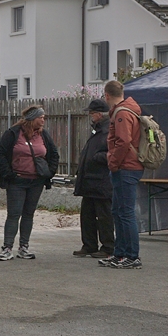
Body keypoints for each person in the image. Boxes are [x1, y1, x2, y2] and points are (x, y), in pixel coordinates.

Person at [0, 105, 59, 261]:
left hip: (36, 181)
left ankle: (24, 247)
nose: (43, 120)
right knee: (14, 214)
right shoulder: (13, 133)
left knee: (29, 214)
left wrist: (49, 173)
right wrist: (9, 174)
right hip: (17, 181)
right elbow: (0, 153)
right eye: (40, 117)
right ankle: (7, 248)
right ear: (32, 119)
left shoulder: (43, 135)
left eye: (43, 117)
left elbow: (54, 154)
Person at [102, 79, 144, 269]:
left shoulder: (122, 113)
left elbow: (123, 141)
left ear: (107, 95)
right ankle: (120, 253)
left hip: (126, 167)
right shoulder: (128, 110)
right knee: (118, 211)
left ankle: (132, 256)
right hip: (126, 167)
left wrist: (113, 163)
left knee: (126, 212)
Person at [72, 98, 115, 258]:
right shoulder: (97, 130)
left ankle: (108, 247)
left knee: (104, 216)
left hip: (101, 181)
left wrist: (97, 157)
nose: (90, 116)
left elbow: (113, 153)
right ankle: (89, 245)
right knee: (87, 215)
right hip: (90, 180)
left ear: (99, 114)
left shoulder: (108, 130)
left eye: (92, 113)